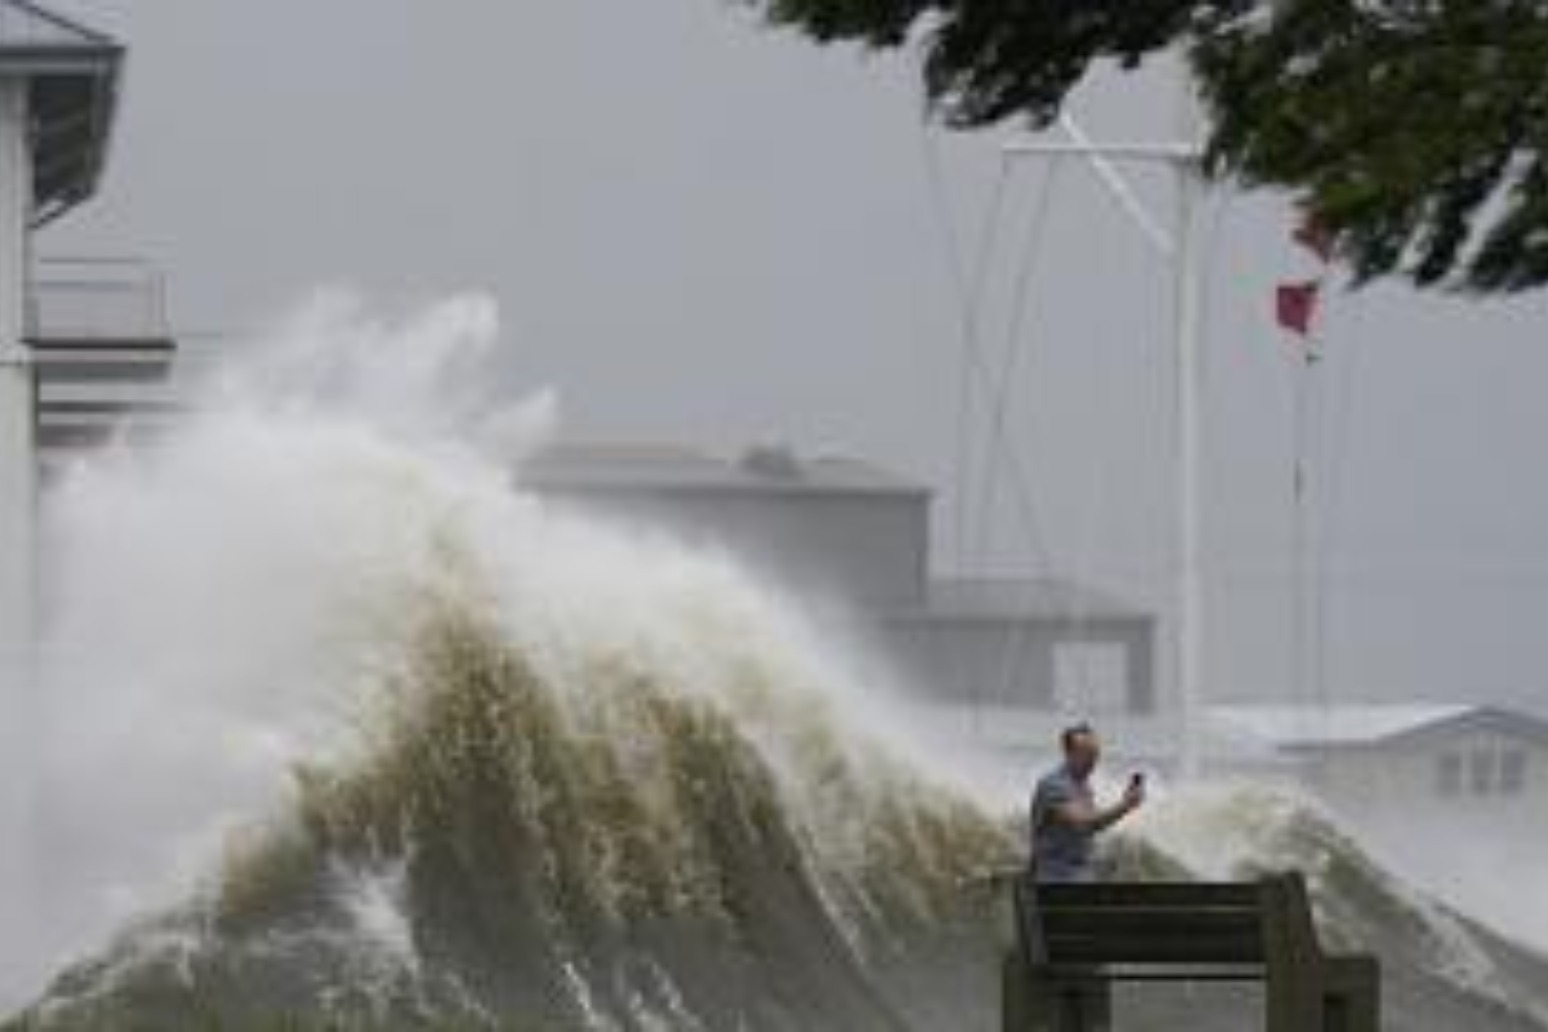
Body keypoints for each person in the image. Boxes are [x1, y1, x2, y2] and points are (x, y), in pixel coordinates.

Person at [1029, 723, 1145, 883]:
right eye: (1087, 754)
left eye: (1096, 754)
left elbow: (1092, 827)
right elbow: (1084, 824)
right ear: (1069, 753)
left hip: (1081, 874)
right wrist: (1125, 805)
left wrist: (1125, 805)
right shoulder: (1053, 785)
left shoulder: (1084, 786)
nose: (1093, 760)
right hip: (1055, 878)